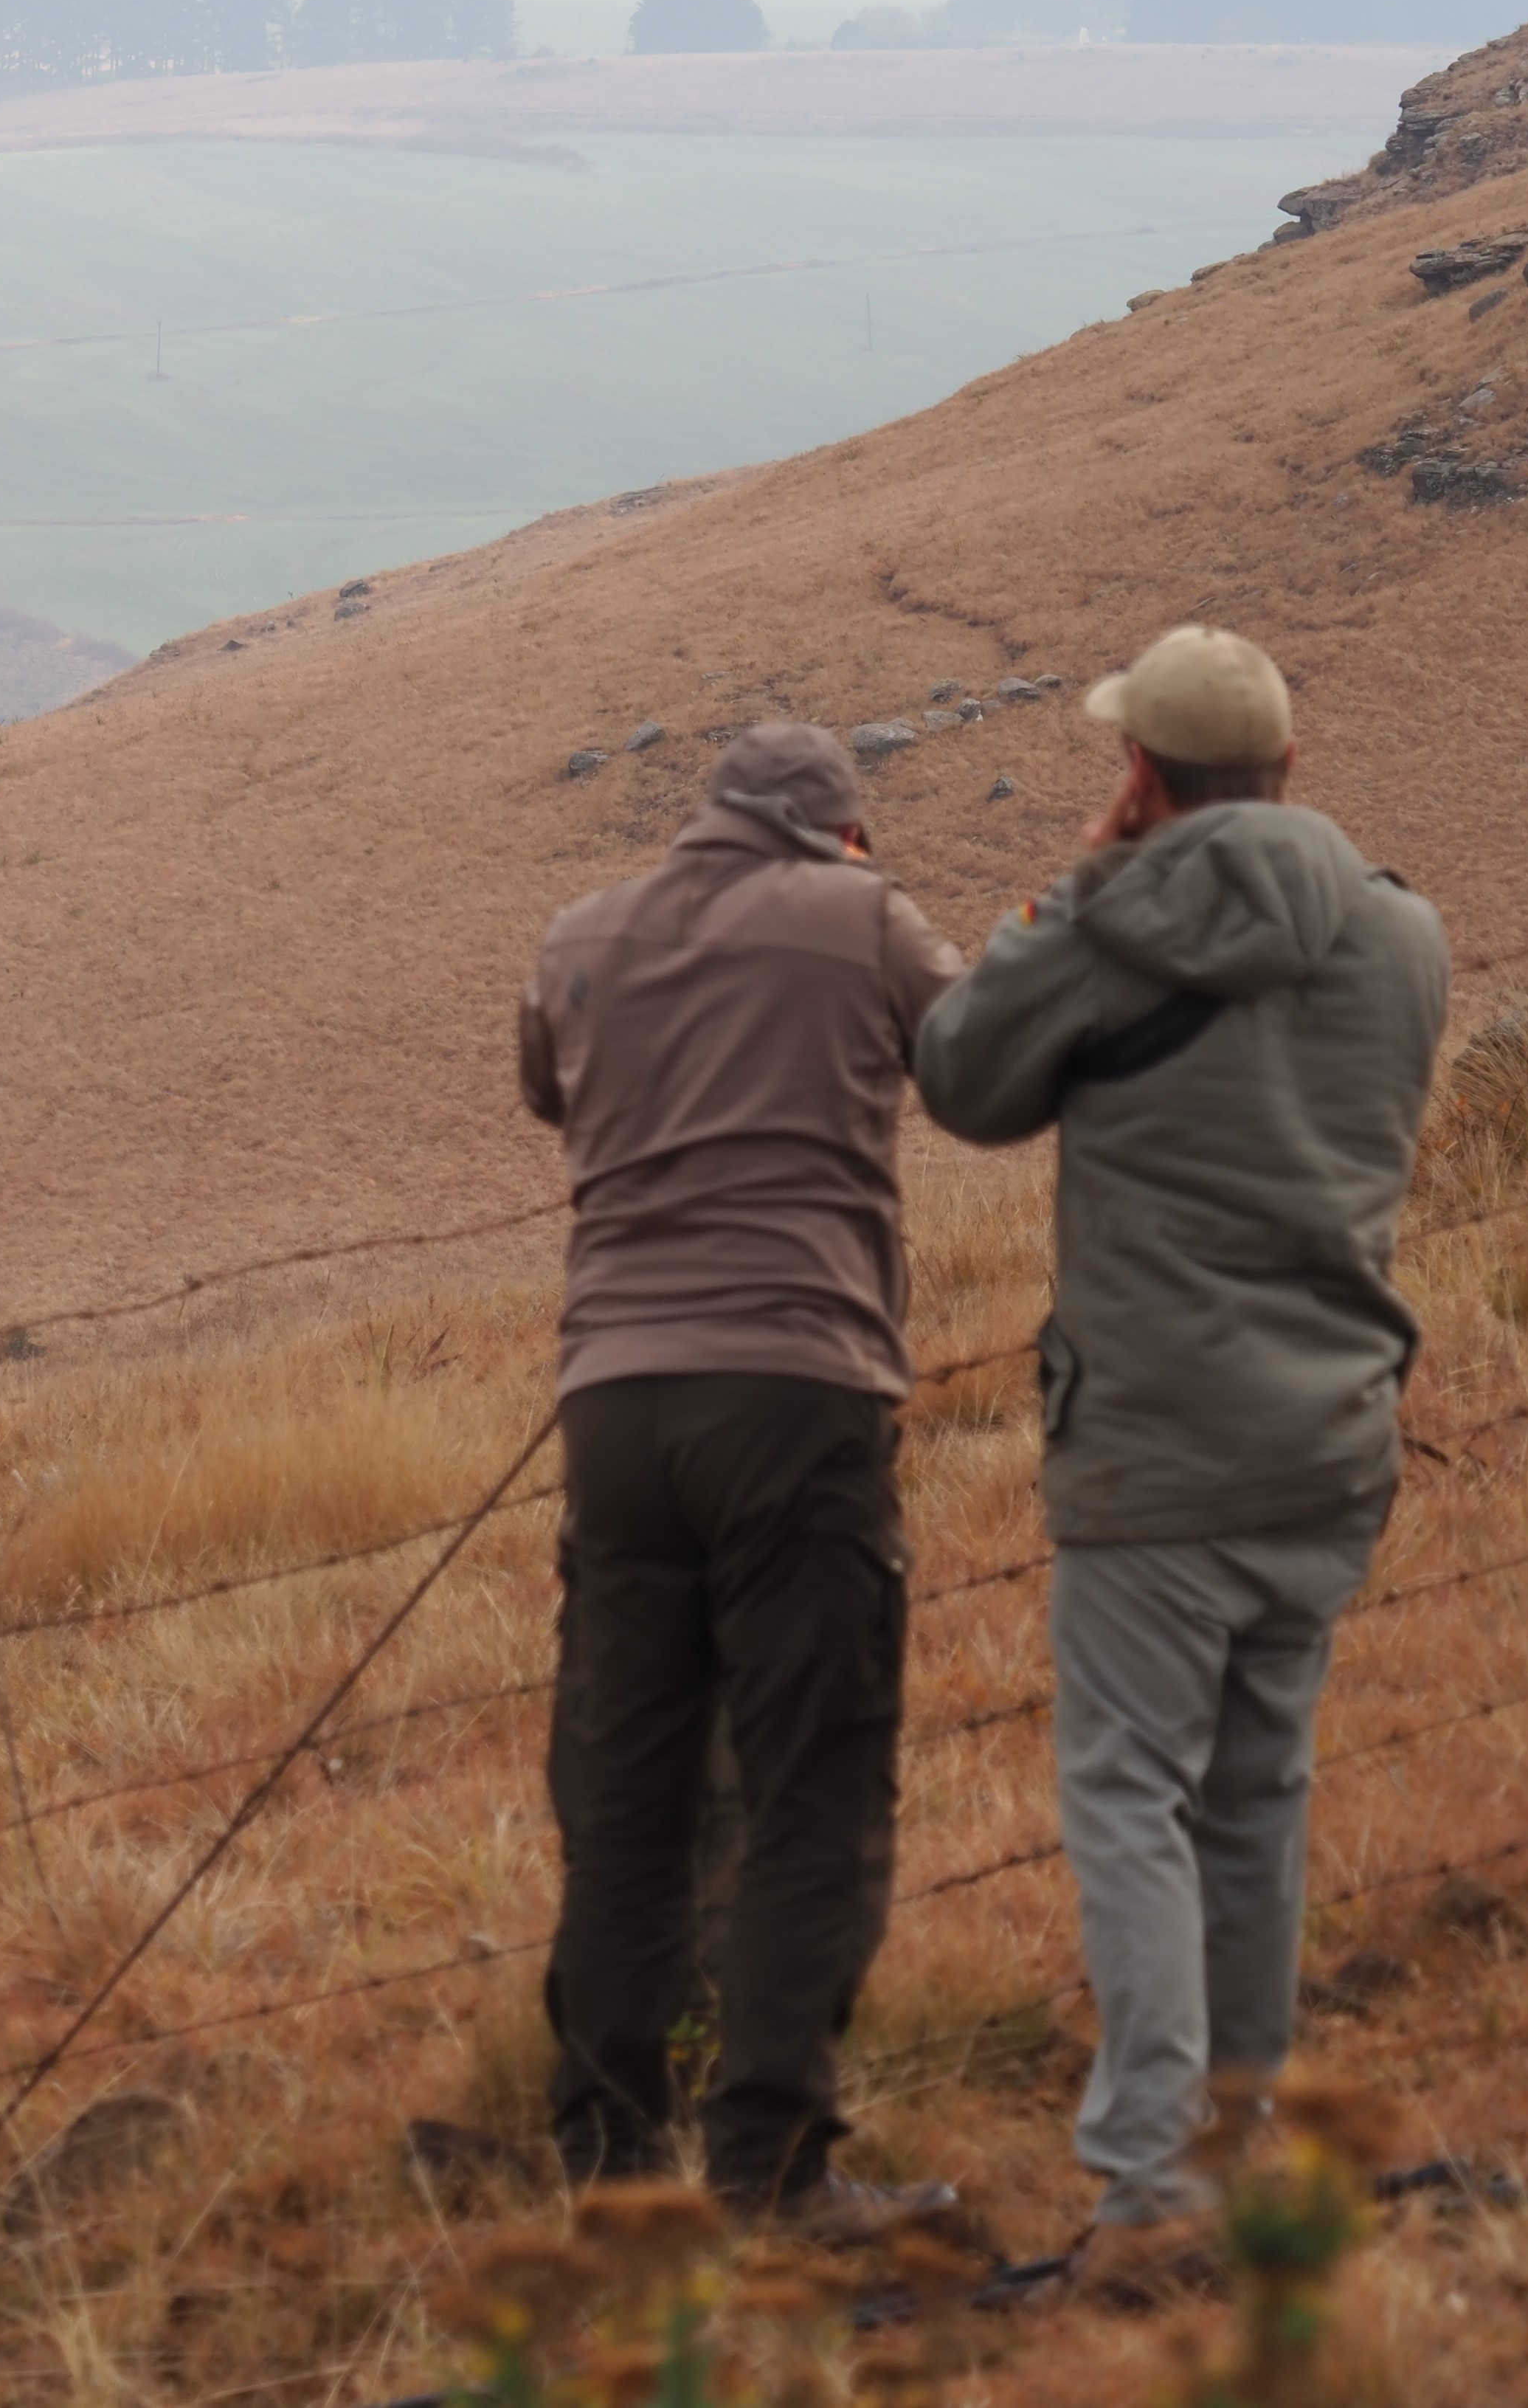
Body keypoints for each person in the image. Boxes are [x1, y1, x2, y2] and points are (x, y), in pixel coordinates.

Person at [910, 627, 1447, 2274]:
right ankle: (1237, 2132)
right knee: (1258, 1789)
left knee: (1132, 1793)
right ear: (1289, 769)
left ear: (1137, 776)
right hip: (1333, 1427)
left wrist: (1068, 898)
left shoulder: (1103, 925)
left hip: (1155, 1443)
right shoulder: (1401, 935)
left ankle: (1151, 2188)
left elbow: (962, 1081)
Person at [517, 720, 965, 2215]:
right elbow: (967, 1059)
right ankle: (773, 2166)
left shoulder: (580, 930)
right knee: (809, 1778)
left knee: (630, 1783)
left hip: (614, 1414)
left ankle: (609, 2160)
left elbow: (547, 1089)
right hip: (795, 1387)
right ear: (836, 833)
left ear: (712, 817)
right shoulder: (865, 915)